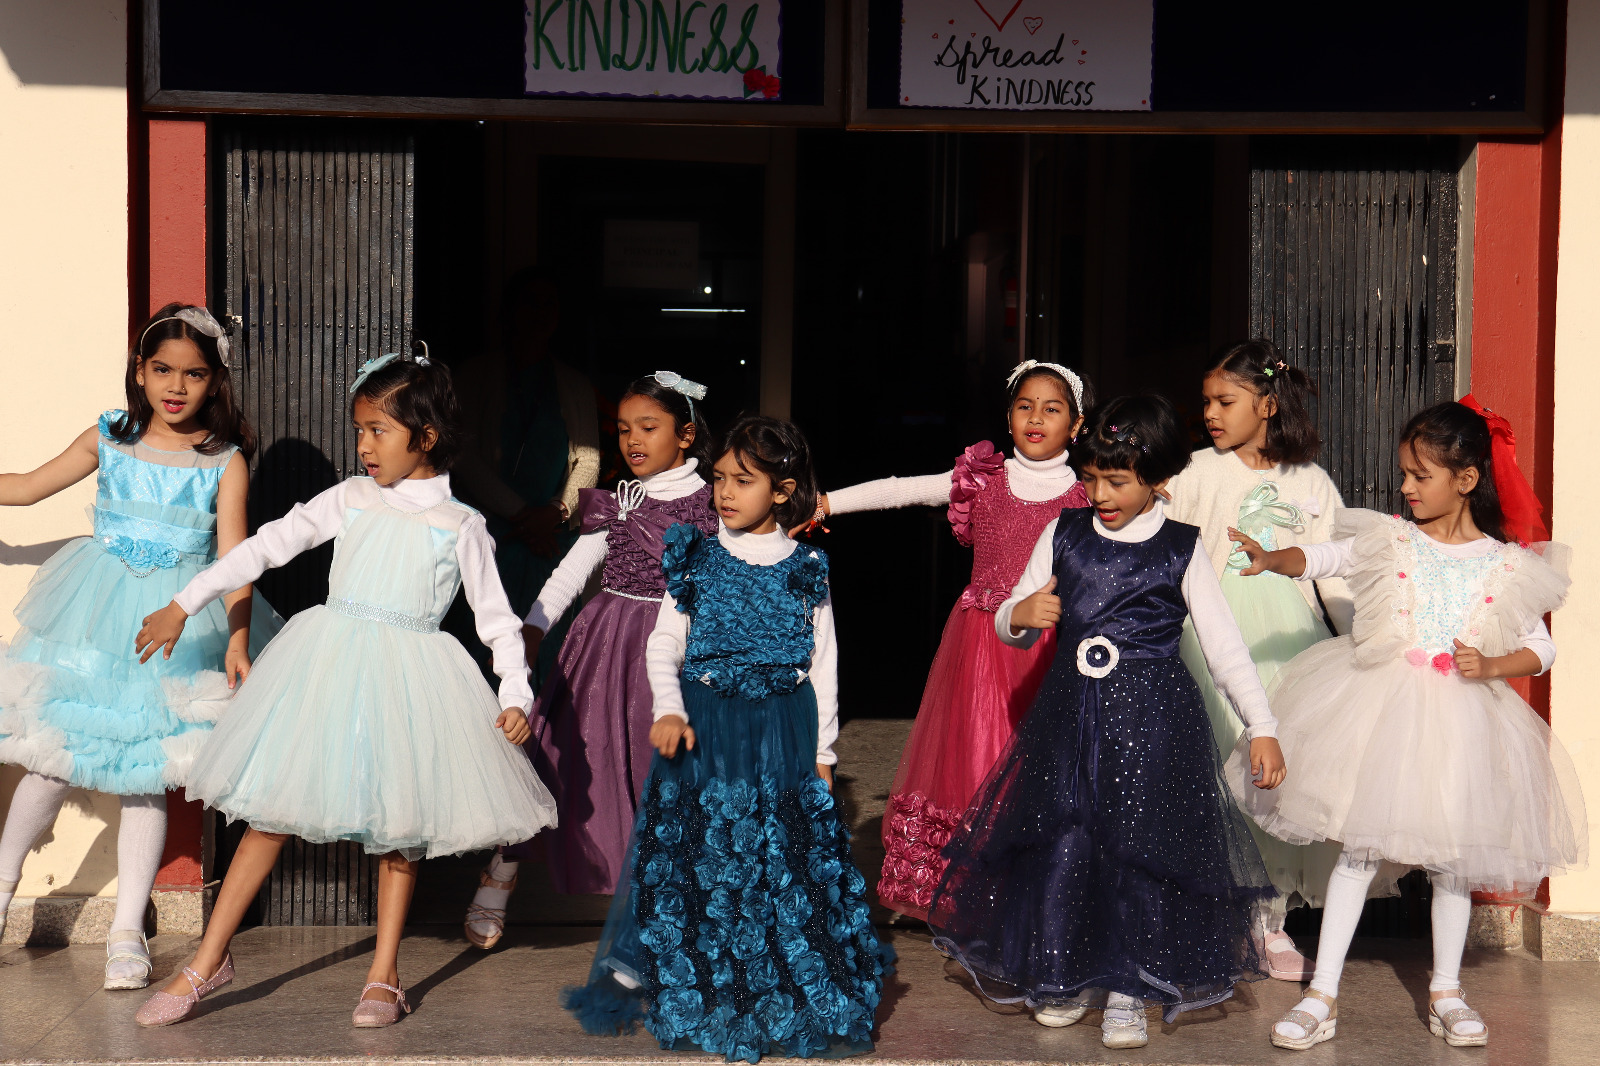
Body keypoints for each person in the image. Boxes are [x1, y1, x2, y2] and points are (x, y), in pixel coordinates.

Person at [131, 352, 556, 1028]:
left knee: (400, 827)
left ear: (426, 437)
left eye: (378, 431)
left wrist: (514, 695)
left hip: (412, 682)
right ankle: (208, 959)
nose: (363, 446)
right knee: (270, 809)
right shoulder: (351, 498)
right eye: (359, 430)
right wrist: (185, 603)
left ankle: (384, 974)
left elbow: (498, 622)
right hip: (326, 669)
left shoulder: (461, 525)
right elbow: (264, 546)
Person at [1226, 398, 1587, 1051]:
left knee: (1451, 862)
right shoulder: (1393, 540)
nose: (1405, 487)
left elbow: (1543, 646)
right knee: (1358, 851)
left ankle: (1446, 991)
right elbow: (1327, 558)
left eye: (1421, 475)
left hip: (1461, 724)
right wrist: (1275, 559)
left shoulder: (1504, 566)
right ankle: (1322, 994)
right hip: (1383, 713)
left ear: (1467, 479)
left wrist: (1494, 664)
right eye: (1404, 474)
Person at [928, 395, 1282, 1050]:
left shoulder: (1180, 548)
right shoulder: (1063, 534)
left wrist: (1261, 725)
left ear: (1158, 478)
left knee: (1139, 850)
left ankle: (1130, 985)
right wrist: (1018, 617)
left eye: (1116, 481)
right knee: (1066, 841)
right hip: (1071, 720)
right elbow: (1013, 613)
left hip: (1154, 724)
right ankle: (1062, 972)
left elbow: (1225, 649)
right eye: (1090, 478)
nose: (1099, 494)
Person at [565, 416, 890, 1062]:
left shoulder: (807, 567)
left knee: (780, 853)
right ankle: (693, 968)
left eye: (743, 481)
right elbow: (664, 643)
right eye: (718, 479)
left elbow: (823, 666)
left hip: (783, 729)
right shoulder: (698, 556)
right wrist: (669, 707)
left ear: (782, 490)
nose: (725, 492)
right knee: (705, 849)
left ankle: (774, 972)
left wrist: (824, 755)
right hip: (709, 725)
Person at [0, 304, 277, 989]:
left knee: (145, 779)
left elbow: (235, 558)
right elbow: (28, 487)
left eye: (194, 374)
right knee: (50, 762)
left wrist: (239, 638)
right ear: (140, 370)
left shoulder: (223, 462)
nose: (176, 386)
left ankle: (127, 931)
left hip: (176, 627)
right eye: (162, 370)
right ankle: (1, 892)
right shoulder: (109, 437)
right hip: (95, 617)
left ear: (215, 381)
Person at [811, 361, 1091, 918]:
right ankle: (973, 893)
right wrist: (828, 502)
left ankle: (1029, 891)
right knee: (977, 758)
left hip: (1050, 648)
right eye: (1024, 406)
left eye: (1052, 408)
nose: (1036, 417)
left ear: (1077, 425)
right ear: (1008, 417)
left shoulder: (1087, 495)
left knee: (1037, 767)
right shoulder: (982, 479)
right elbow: (904, 490)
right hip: (980, 645)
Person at [463, 372, 719, 948]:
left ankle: (662, 907)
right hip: (606, 650)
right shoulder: (621, 501)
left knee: (664, 774)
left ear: (686, 434)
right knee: (558, 761)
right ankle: (503, 868)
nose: (633, 440)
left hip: (680, 652)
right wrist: (533, 628)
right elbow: (571, 573)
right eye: (624, 429)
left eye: (648, 427)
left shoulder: (715, 503)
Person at [1164, 340, 1347, 980]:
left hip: (1288, 646)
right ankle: (1203, 919)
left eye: (1226, 401)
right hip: (1208, 641)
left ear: (1267, 404)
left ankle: (1269, 925)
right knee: (1207, 778)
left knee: (1270, 784)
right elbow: (1162, 548)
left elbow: (1333, 573)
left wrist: (1360, 643)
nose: (1210, 413)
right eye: (1207, 401)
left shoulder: (1311, 482)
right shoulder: (1194, 472)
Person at [452, 268, 601, 687]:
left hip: (549, 543)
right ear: (509, 311)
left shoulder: (574, 385)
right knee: (481, 655)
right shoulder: (473, 375)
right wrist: (523, 515)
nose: (540, 312)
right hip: (491, 536)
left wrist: (555, 511)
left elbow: (588, 460)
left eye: (549, 303)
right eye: (530, 302)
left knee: (548, 657)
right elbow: (463, 454)